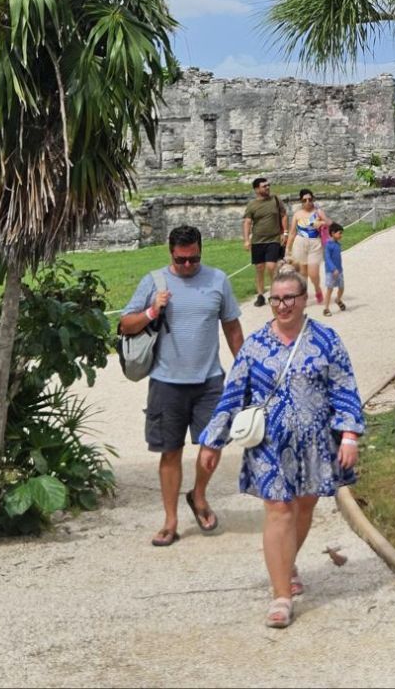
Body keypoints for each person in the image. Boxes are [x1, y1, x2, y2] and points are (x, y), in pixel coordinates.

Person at [198, 269, 364, 629]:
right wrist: (212, 441)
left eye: (289, 298)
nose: (282, 305)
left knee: (303, 507)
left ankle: (286, 563)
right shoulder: (255, 346)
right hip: (270, 445)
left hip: (315, 444)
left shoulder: (325, 340)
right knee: (279, 510)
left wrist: (349, 435)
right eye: (276, 298)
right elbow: (233, 395)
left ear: (304, 299)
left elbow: (344, 388)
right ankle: (281, 597)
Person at [119, 225, 244, 548]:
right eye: (181, 260)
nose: (188, 266)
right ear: (170, 253)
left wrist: (245, 369)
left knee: (212, 449)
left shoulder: (218, 280)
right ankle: (170, 520)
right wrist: (151, 310)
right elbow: (125, 324)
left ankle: (198, 495)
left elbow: (232, 327)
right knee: (169, 452)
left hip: (210, 380)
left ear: (202, 251)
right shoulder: (154, 281)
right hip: (166, 382)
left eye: (194, 259)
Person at [241, 177, 287, 308]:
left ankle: (275, 293)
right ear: (256, 189)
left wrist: (285, 232)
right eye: (264, 186)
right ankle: (260, 295)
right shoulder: (252, 205)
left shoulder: (276, 200)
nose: (267, 188)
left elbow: (283, 215)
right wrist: (246, 240)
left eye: (268, 185)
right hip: (258, 241)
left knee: (272, 267)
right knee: (259, 268)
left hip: (273, 239)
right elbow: (247, 222)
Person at [283, 188, 331, 306]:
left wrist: (322, 223)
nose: (308, 202)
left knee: (313, 273)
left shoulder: (318, 212)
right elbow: (293, 232)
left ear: (313, 199)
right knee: (302, 273)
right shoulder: (297, 214)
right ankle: (303, 295)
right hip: (300, 243)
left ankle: (317, 288)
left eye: (310, 199)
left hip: (315, 243)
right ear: (301, 201)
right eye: (304, 200)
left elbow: (330, 223)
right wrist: (287, 249)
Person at [321, 222, 346, 315]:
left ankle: (338, 299)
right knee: (330, 289)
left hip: (339, 271)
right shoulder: (328, 245)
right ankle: (326, 308)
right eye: (339, 233)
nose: (341, 235)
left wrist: (339, 269)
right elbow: (327, 258)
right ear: (332, 233)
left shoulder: (338, 244)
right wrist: (333, 269)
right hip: (330, 272)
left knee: (341, 287)